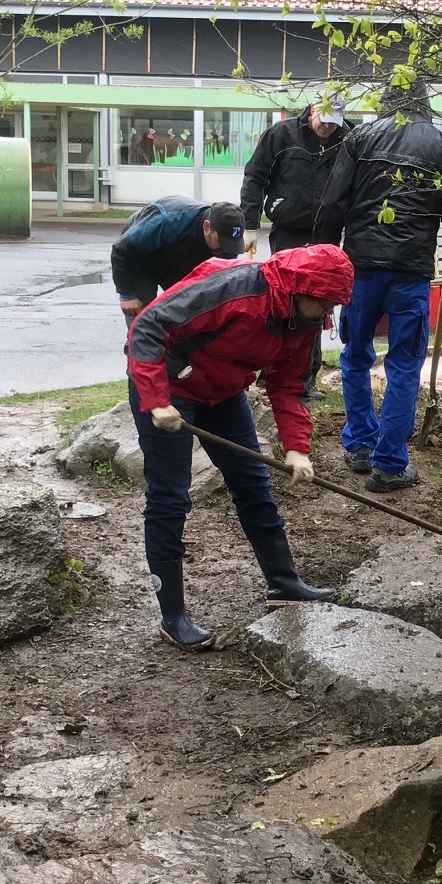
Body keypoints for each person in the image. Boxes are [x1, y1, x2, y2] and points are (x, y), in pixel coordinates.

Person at [126, 242, 356, 649]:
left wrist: (297, 448)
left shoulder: (302, 320)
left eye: (332, 306)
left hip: (224, 391)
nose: (326, 314)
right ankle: (173, 615)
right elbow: (148, 326)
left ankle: (284, 583)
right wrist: (156, 400)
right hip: (170, 384)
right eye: (323, 304)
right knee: (170, 497)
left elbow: (289, 384)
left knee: (253, 484)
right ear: (301, 290)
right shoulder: (234, 290)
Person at [312, 79, 442, 492]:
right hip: (410, 273)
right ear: (425, 103)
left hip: (361, 269)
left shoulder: (360, 139)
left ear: (386, 101)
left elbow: (332, 204)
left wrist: (324, 262)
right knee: (403, 365)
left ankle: (361, 444)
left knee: (355, 355)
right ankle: (389, 465)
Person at [241, 91, 353, 397]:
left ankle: (305, 378)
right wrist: (250, 223)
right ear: (312, 110)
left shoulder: (348, 139)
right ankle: (270, 373)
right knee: (283, 300)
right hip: (289, 230)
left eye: (334, 122)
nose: (327, 127)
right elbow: (255, 177)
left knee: (316, 304)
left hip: (327, 232)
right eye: (324, 120)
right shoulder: (282, 135)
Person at [109, 196, 244, 319]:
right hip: (140, 257)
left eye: (231, 244)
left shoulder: (226, 243)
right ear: (207, 227)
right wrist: (127, 295)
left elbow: (220, 281)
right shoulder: (166, 221)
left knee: (188, 312)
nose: (226, 251)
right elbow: (122, 249)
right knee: (144, 315)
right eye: (221, 242)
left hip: (175, 259)